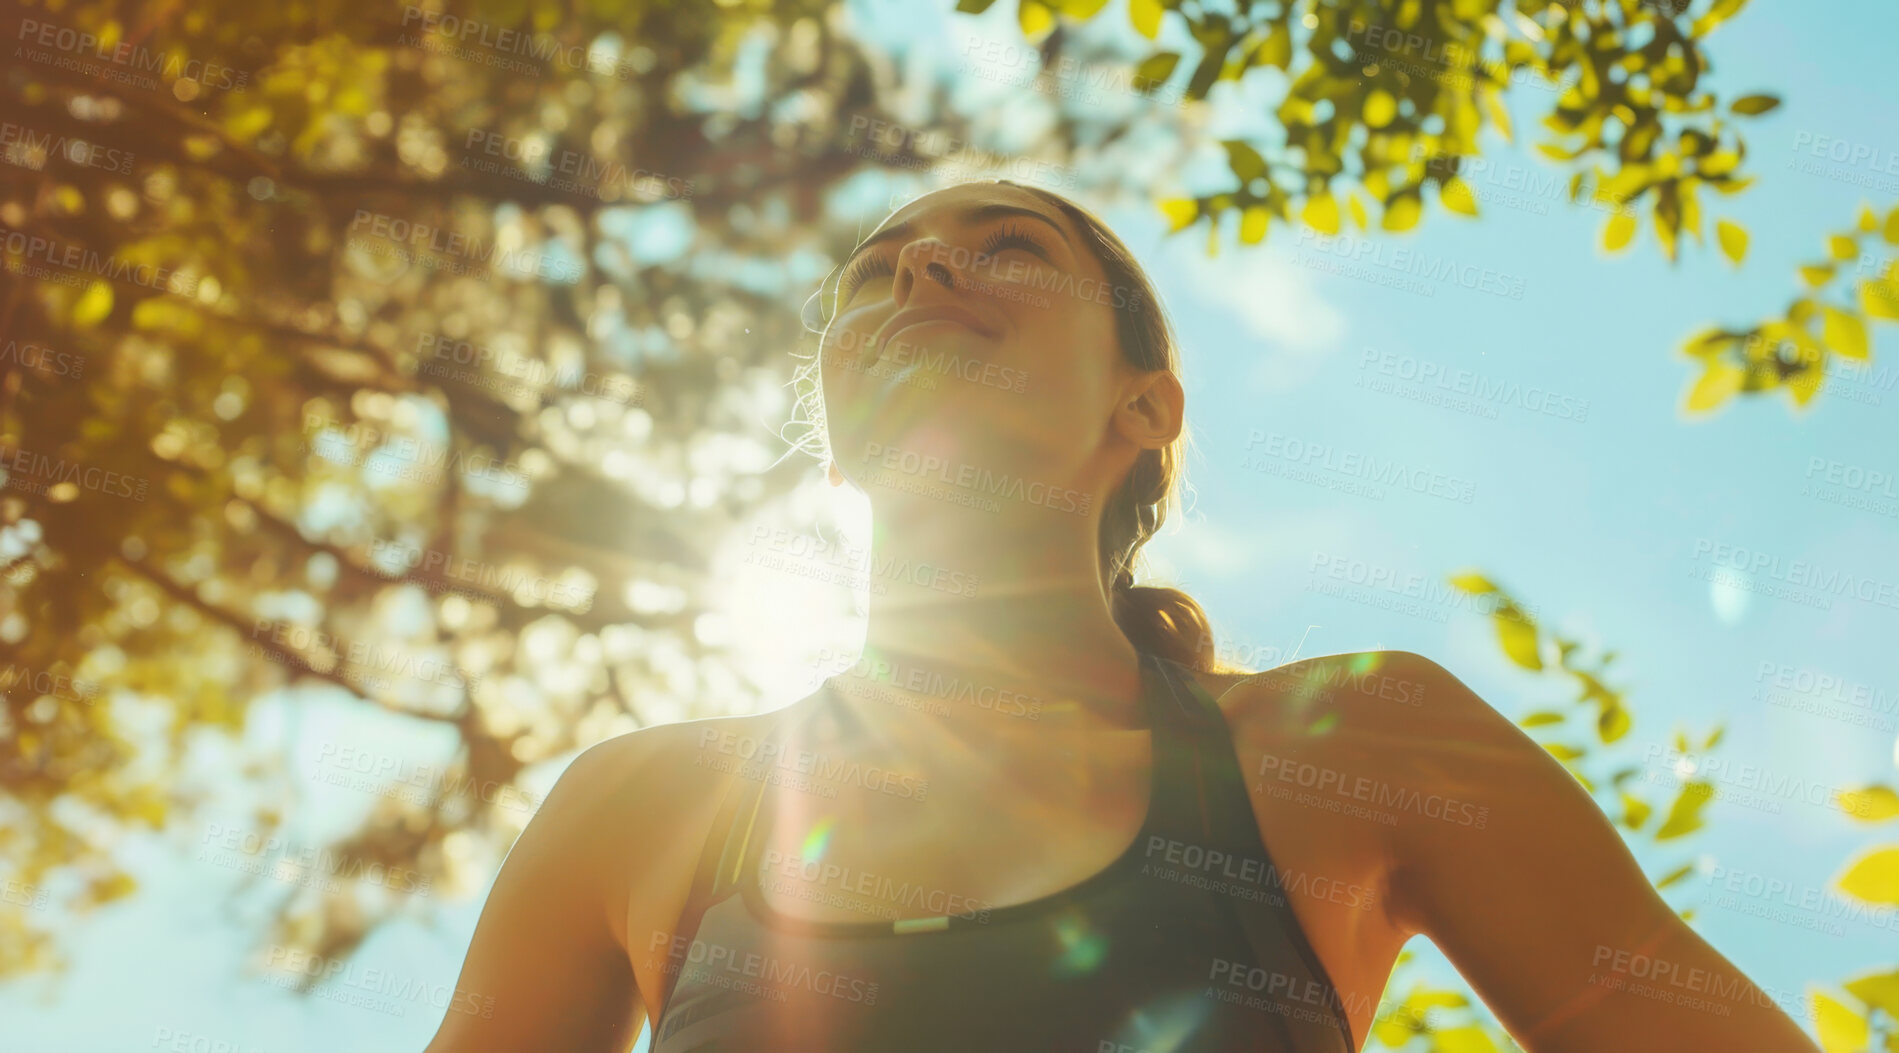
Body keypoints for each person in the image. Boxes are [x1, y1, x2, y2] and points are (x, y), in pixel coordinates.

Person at [424, 180, 1821, 1052]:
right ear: (834, 440)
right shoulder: (638, 805)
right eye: (877, 272)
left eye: (1006, 246)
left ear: (1143, 408)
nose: (920, 271)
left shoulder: (1368, 744)